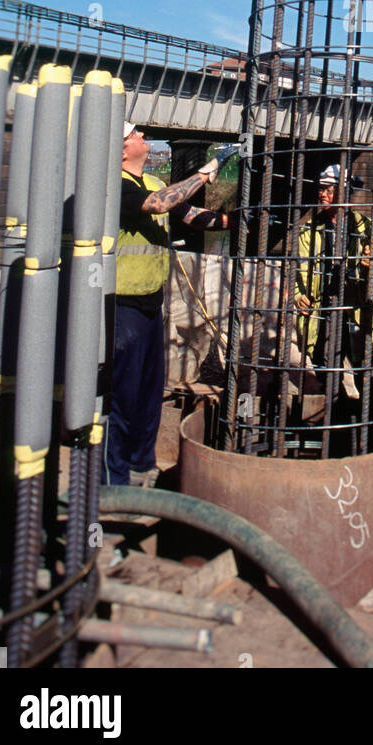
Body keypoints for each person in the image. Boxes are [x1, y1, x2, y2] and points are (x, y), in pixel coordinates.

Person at [104, 122, 230, 486]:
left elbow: (190, 216)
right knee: (122, 395)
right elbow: (157, 205)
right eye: (133, 134)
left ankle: (143, 468)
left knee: (147, 391)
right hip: (120, 305)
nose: (142, 135)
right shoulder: (117, 186)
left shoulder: (156, 184)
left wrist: (235, 221)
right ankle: (116, 477)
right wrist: (206, 172)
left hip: (150, 304)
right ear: (123, 150)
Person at [295, 165, 373, 411]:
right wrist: (298, 297)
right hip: (323, 313)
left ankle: (372, 422)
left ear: (343, 191)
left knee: (368, 371)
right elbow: (297, 277)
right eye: (321, 189)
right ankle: (337, 419)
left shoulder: (366, 228)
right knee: (327, 373)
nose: (322, 194)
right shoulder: (309, 232)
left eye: (328, 189)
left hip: (356, 312)